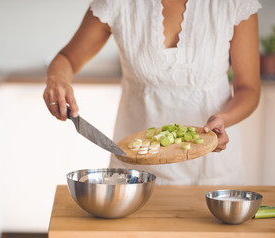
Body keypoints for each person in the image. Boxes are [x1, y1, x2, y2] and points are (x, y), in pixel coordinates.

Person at [43, 0, 261, 185]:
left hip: (213, 169)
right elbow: (68, 59)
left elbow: (248, 89)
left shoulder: (234, 4)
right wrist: (56, 81)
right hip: (134, 169)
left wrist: (224, 119)